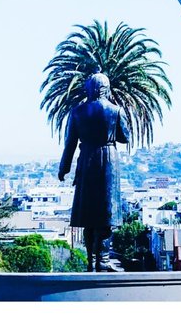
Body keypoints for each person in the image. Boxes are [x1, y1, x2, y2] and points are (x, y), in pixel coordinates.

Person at [58, 73, 129, 271]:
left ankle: (91, 261)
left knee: (88, 214)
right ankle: (103, 260)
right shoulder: (115, 110)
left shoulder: (77, 112)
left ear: (88, 89)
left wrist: (64, 167)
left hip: (87, 159)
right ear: (106, 88)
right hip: (108, 161)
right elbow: (125, 137)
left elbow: (70, 144)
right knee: (106, 214)